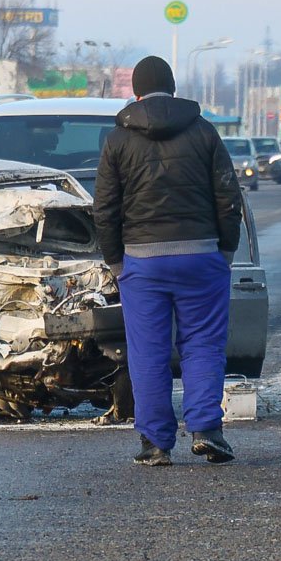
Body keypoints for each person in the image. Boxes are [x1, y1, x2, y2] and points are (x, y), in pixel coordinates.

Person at [93, 55, 243, 466]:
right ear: (174, 89)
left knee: (148, 352)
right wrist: (225, 250)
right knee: (203, 344)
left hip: (142, 262)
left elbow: (105, 208)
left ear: (136, 92)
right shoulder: (204, 131)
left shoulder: (118, 139)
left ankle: (156, 443)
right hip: (201, 257)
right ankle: (207, 430)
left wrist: (116, 261)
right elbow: (228, 196)